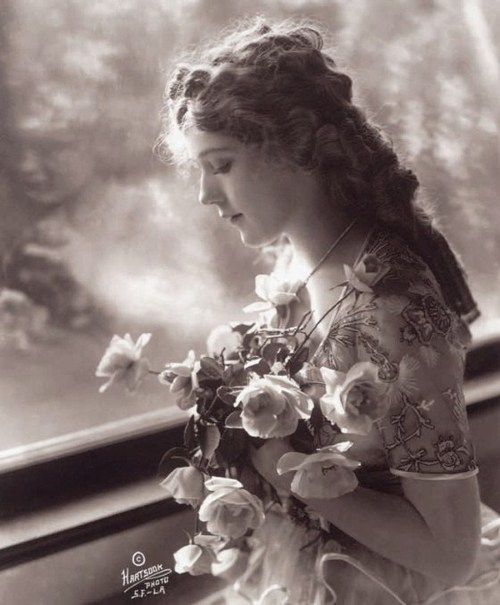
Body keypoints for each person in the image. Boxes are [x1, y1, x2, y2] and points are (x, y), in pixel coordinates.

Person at [159, 18, 500, 604]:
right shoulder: (295, 262)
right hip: (301, 554)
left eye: (221, 165)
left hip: (379, 580)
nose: (204, 195)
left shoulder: (394, 307)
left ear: (295, 149)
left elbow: (451, 553)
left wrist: (281, 466)